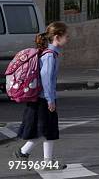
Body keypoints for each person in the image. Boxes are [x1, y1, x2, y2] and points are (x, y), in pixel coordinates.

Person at [14, 22, 69, 171]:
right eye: (66, 36)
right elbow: (46, 77)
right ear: (57, 37)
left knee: (48, 131)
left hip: (42, 98)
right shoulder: (50, 55)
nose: (68, 39)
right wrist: (51, 99)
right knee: (46, 130)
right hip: (43, 99)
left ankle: (43, 159)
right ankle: (23, 152)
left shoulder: (49, 53)